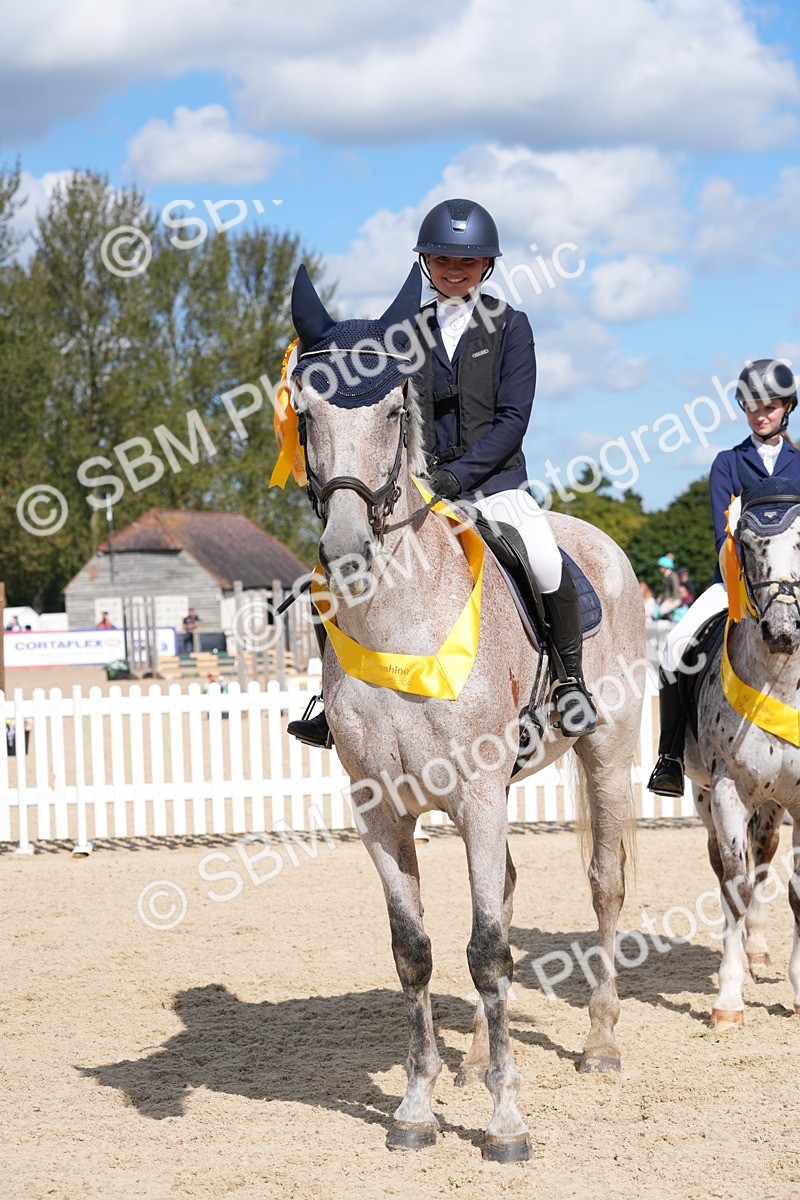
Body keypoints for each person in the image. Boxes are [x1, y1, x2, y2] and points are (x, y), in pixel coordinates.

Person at [289, 197, 597, 747]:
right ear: (427, 263)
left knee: (545, 559)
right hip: (420, 488)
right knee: (328, 576)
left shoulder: (511, 327)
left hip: (496, 484)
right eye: (443, 261)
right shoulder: (404, 336)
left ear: (487, 267)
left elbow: (513, 419)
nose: (455, 272)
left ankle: (568, 681)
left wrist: (462, 477)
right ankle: (329, 698)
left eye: (467, 263)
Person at [648, 358, 800, 796]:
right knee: (675, 647)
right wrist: (743, 593)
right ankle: (671, 757)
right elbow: (723, 537)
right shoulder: (728, 463)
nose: (760, 413)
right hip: (737, 585)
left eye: (769, 406)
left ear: (786, 407)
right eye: (751, 406)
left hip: (794, 589)